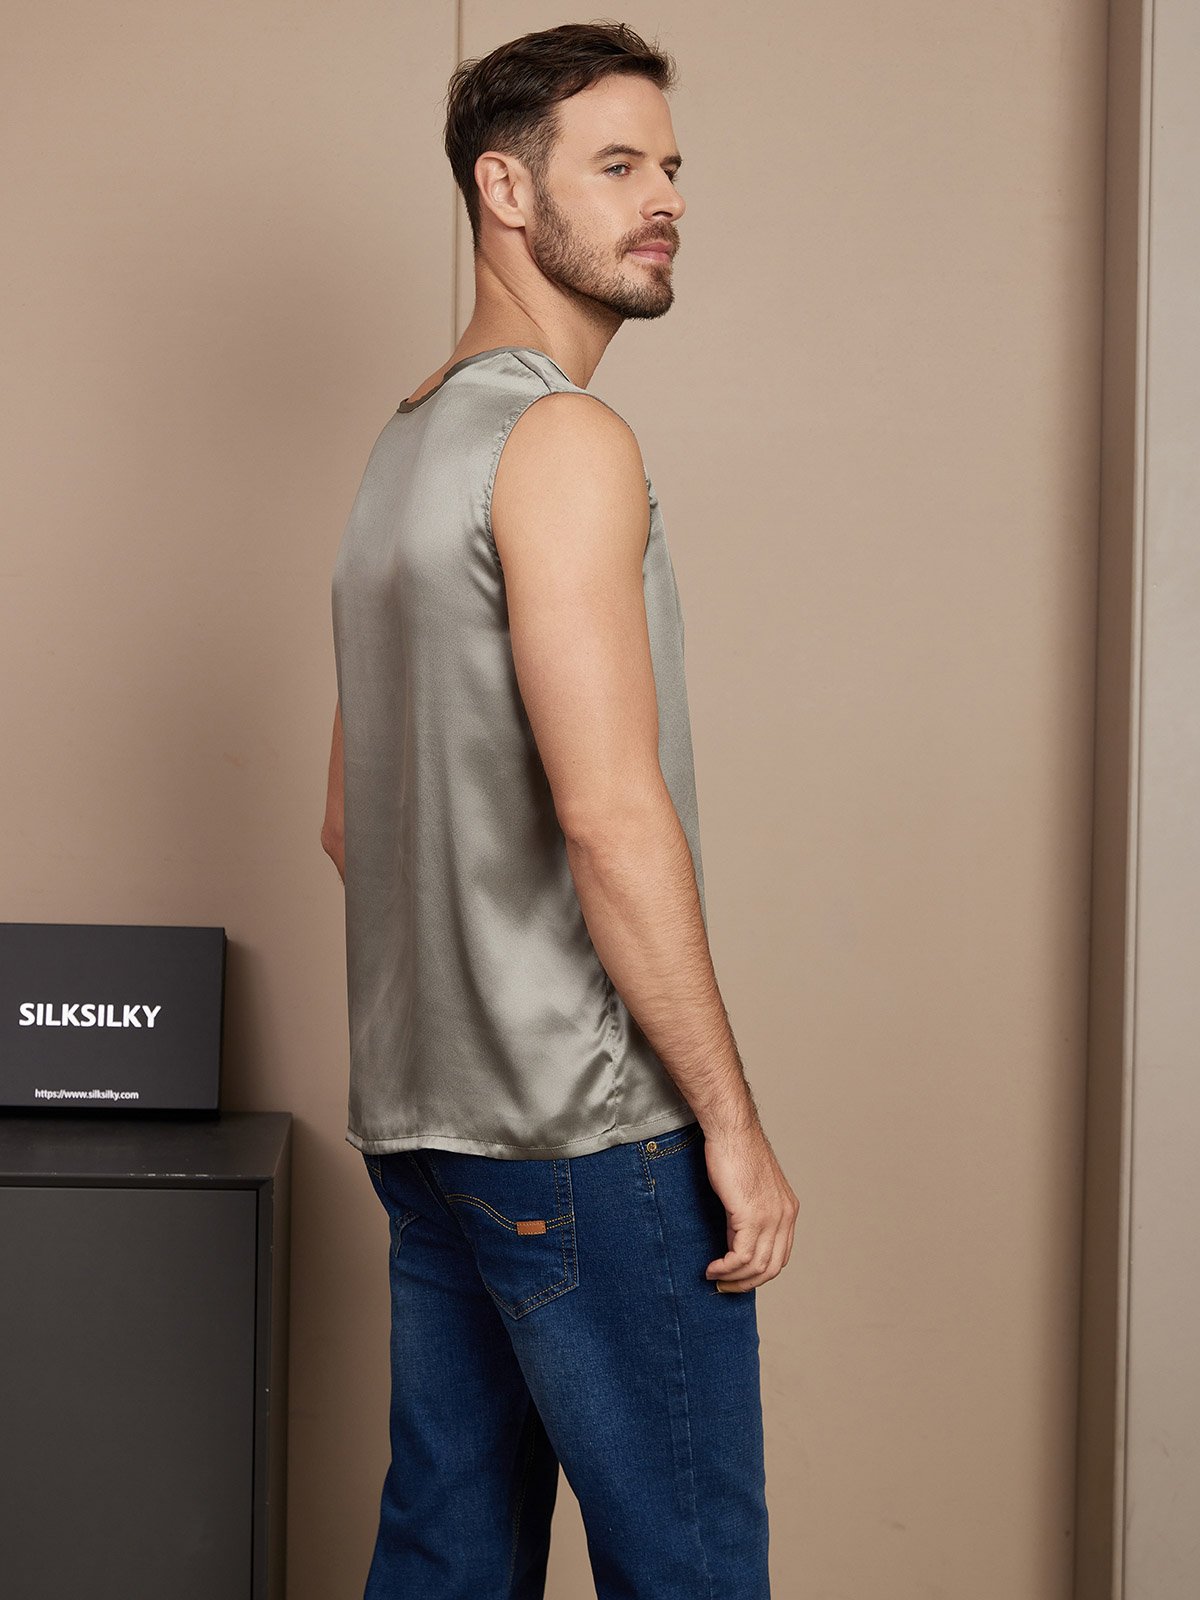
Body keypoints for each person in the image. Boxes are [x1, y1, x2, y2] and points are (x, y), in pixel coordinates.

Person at [322, 20, 798, 1599]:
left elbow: (349, 823)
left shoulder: (406, 448)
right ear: (506, 190)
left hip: (428, 1124)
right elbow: (609, 818)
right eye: (618, 166)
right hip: (589, 1130)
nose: (666, 199)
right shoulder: (563, 439)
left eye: (670, 167)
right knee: (691, 1571)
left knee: (447, 1560)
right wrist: (730, 1124)